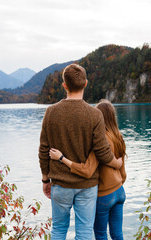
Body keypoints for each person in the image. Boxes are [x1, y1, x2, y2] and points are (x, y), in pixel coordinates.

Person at [38, 64, 123, 240]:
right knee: (84, 233)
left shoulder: (50, 112)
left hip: (60, 184)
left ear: (64, 85)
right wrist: (117, 163)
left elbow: (43, 150)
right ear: (85, 84)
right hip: (87, 186)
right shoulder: (94, 115)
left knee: (58, 230)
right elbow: (102, 151)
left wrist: (45, 179)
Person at [50, 99, 127, 240]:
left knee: (100, 234)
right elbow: (122, 169)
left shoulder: (101, 140)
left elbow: (87, 170)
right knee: (117, 234)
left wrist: (62, 158)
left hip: (105, 195)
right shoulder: (118, 136)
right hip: (120, 191)